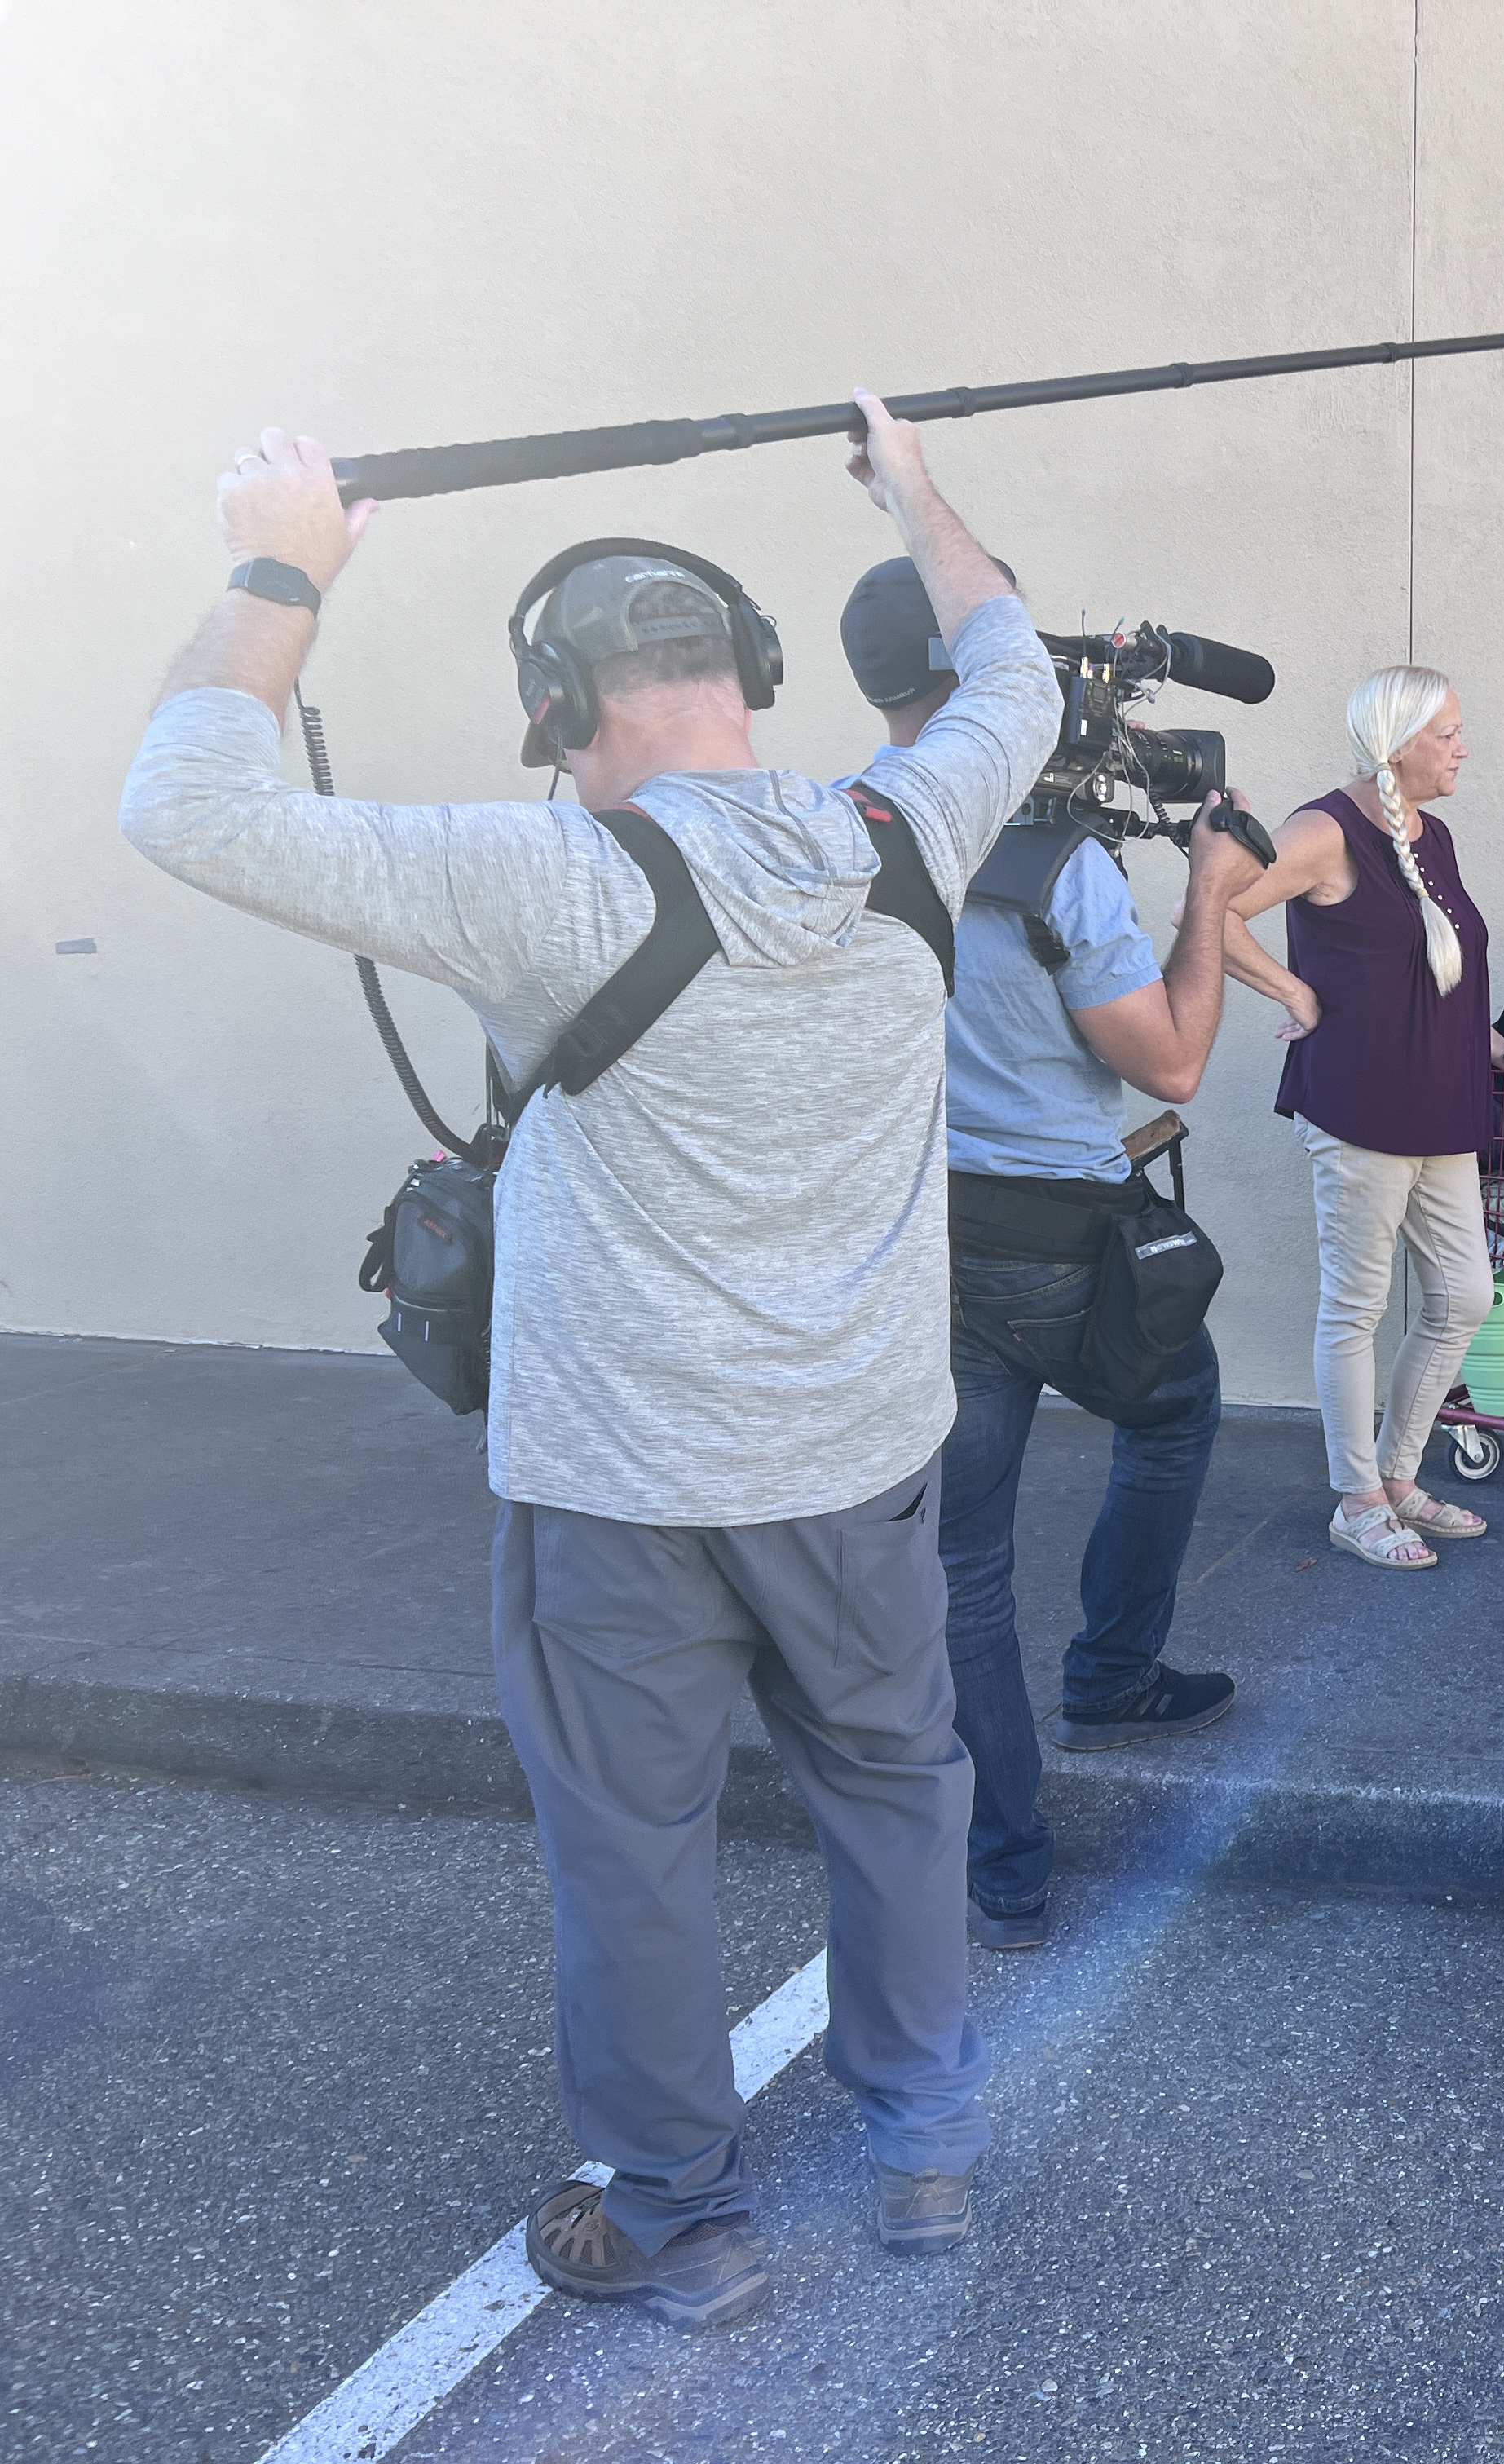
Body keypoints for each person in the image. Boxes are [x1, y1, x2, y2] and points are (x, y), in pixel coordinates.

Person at [119, 403, 1057, 2332]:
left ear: (561, 709)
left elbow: (188, 802)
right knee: (901, 1793)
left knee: (637, 1845)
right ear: (753, 674)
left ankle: (680, 2215)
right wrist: (906, 480)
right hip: (864, 1460)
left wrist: (285, 559)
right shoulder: (915, 825)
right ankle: (925, 2156)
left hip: (626, 1485)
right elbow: (1010, 654)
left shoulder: (536, 881)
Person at [837, 558, 1263, 1956]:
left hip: (920, 1234)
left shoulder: (838, 832)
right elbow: (1176, 1062)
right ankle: (1115, 1670)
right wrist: (1206, 887)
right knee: (1178, 1404)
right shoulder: (1057, 867)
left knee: (961, 1561)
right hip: (1062, 1244)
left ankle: (1005, 1864)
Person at [1223, 665, 1504, 1571]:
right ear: (1397, 744)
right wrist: (1295, 993)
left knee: (1465, 1295)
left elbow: (1436, 968)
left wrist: (1499, 1049)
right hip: (1359, 1107)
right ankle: (1355, 1499)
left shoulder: (1434, 836)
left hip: (1441, 1106)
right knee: (1355, 1309)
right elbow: (1211, 912)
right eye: (1449, 733)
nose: (1465, 747)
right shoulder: (1323, 830)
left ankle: (1396, 1475)